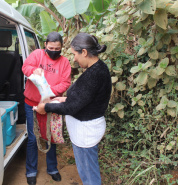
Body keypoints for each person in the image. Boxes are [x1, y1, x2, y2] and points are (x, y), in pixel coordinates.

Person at [35, 32, 112, 185]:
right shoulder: (97, 68)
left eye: (75, 54)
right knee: (86, 171)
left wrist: (46, 107)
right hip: (85, 129)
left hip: (86, 132)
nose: (74, 59)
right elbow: (86, 98)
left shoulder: (94, 75)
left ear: (84, 52)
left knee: (89, 175)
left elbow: (71, 108)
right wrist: (65, 98)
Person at [22, 31, 71, 185]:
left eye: (58, 49)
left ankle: (52, 169)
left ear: (61, 47)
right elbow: (25, 67)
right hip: (32, 103)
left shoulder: (65, 62)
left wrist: (48, 91)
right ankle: (31, 171)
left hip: (51, 105)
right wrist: (33, 70)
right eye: (51, 48)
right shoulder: (37, 54)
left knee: (51, 137)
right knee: (32, 138)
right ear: (45, 45)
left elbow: (65, 83)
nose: (54, 51)